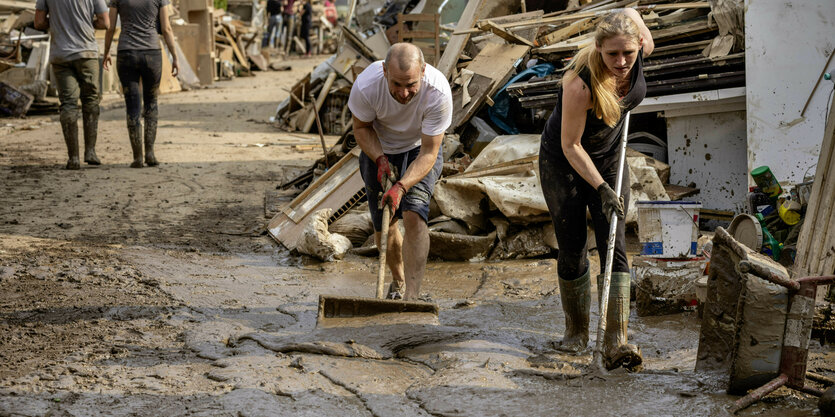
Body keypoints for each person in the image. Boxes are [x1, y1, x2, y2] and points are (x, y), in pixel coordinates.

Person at [538, 10, 654, 371]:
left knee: (614, 242)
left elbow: (632, 12)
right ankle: (575, 333)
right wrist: (601, 188)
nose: (621, 62)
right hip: (565, 165)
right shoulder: (580, 84)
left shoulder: (641, 48)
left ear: (638, 46)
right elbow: (571, 145)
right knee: (572, 247)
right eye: (612, 55)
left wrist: (629, 15)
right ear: (598, 48)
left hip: (609, 160)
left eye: (628, 54)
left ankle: (616, 339)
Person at [348, 43, 452, 301]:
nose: (404, 93)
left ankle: (412, 297)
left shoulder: (437, 92)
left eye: (411, 85)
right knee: (385, 224)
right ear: (384, 71)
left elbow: (430, 151)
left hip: (420, 149)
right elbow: (361, 128)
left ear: (424, 71)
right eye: (397, 84)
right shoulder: (366, 86)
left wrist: (401, 186)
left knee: (414, 214)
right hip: (379, 148)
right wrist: (380, 159)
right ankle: (399, 281)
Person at [103, 0, 179, 168]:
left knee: (132, 105)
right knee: (151, 101)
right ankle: (150, 154)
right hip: (152, 54)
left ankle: (137, 157)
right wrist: (175, 57)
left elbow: (110, 27)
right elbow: (166, 28)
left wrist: (106, 51)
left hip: (126, 53)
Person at [34, 0, 110, 170]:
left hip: (61, 55)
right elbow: (105, 22)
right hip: (87, 53)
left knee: (68, 104)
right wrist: (85, 23)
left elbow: (38, 22)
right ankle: (90, 151)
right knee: (90, 100)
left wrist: (56, 23)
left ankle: (73, 158)